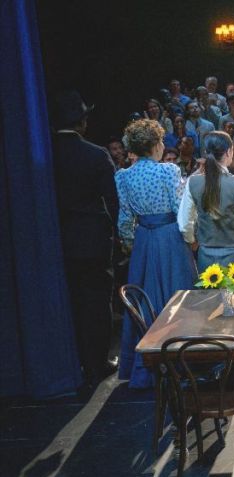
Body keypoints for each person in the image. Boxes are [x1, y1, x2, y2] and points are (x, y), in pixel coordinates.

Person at [115, 119, 196, 388]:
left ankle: (148, 362)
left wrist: (130, 243)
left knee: (145, 298)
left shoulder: (123, 176)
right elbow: (180, 208)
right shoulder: (168, 171)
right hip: (169, 238)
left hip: (143, 241)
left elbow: (125, 218)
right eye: (161, 142)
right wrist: (190, 238)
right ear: (154, 145)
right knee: (177, 295)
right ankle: (184, 361)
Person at [51, 90, 119, 385]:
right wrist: (120, 236)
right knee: (96, 303)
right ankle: (97, 363)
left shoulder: (43, 154)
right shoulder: (95, 154)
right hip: (92, 241)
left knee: (68, 302)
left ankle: (71, 361)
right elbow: (113, 201)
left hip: (57, 240)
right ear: (82, 122)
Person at [178, 131, 234, 271]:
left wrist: (192, 240)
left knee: (209, 294)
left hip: (206, 254)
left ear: (205, 152)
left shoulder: (193, 182)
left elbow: (185, 224)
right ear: (229, 152)